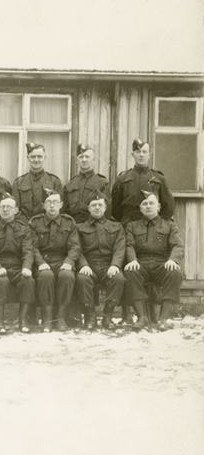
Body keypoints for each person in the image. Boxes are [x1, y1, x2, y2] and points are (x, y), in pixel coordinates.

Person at [123, 191, 183, 330]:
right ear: (140, 208)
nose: (148, 206)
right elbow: (129, 245)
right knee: (131, 273)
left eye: (151, 203)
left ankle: (163, 318)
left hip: (161, 263)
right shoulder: (132, 225)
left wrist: (173, 260)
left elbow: (177, 245)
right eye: (145, 204)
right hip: (140, 263)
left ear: (159, 207)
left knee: (175, 273)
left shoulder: (169, 225)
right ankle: (142, 317)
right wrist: (132, 260)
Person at [0, 194, 35, 333]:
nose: (5, 210)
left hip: (18, 267)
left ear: (16, 210)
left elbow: (28, 251)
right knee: (1, 282)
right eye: (2, 207)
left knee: (28, 281)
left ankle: (23, 320)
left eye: (9, 207)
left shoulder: (24, 229)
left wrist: (26, 267)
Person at [30, 190, 79, 332]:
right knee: (45, 276)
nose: (52, 206)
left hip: (62, 260)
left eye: (55, 202)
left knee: (67, 275)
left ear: (61, 205)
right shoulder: (35, 222)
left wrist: (69, 262)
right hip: (43, 261)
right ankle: (47, 319)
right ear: (43, 205)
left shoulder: (69, 222)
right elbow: (32, 246)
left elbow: (75, 246)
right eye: (48, 202)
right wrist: (40, 263)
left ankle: (60, 318)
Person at [76, 191, 125, 330]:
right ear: (88, 208)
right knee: (82, 279)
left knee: (118, 279)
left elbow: (120, 248)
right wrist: (83, 265)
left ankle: (107, 316)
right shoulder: (80, 227)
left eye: (100, 205)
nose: (97, 208)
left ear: (105, 208)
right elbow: (76, 248)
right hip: (89, 264)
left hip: (108, 265)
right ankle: (90, 316)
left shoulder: (116, 227)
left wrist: (115, 265)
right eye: (93, 205)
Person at [112, 139, 175, 224]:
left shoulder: (159, 179)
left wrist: (157, 224)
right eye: (138, 152)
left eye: (144, 152)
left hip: (151, 226)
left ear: (149, 155)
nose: (141, 155)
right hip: (128, 226)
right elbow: (115, 209)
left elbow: (168, 207)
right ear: (133, 154)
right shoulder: (122, 179)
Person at [12, 142, 64, 220]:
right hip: (25, 226)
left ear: (44, 158)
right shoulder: (18, 183)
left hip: (47, 225)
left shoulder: (54, 181)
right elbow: (16, 210)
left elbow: (60, 208)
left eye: (39, 156)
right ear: (28, 158)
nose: (36, 160)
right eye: (33, 157)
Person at [64, 144, 110, 223]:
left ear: (94, 160)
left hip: (93, 226)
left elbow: (107, 211)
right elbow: (64, 209)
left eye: (87, 157)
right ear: (77, 160)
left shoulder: (102, 182)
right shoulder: (70, 184)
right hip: (73, 226)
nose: (84, 160)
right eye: (81, 157)